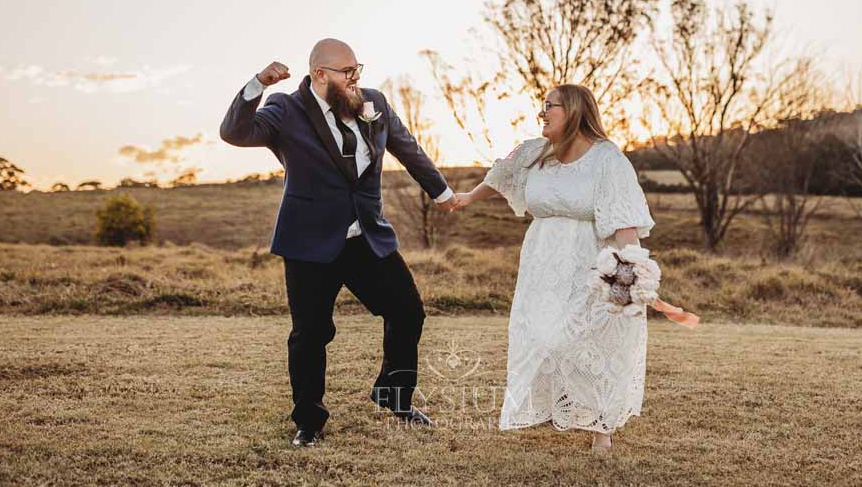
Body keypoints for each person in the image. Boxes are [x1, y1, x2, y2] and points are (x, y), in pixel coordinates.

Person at [219, 38, 460, 448]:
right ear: (320, 75)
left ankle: (393, 396)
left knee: (407, 312)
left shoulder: (374, 103)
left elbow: (407, 148)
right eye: (347, 73)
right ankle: (308, 422)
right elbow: (235, 132)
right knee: (310, 334)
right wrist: (258, 84)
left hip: (366, 236)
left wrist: (443, 194)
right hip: (308, 243)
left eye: (357, 70)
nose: (356, 79)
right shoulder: (285, 109)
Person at [455, 83, 660, 455]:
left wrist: (637, 280)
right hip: (541, 261)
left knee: (587, 340)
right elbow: (501, 173)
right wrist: (468, 197)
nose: (542, 113)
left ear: (575, 110)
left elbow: (624, 222)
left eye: (549, 106)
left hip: (589, 261)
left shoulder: (607, 159)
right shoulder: (536, 152)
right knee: (541, 336)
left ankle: (601, 427)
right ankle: (558, 408)